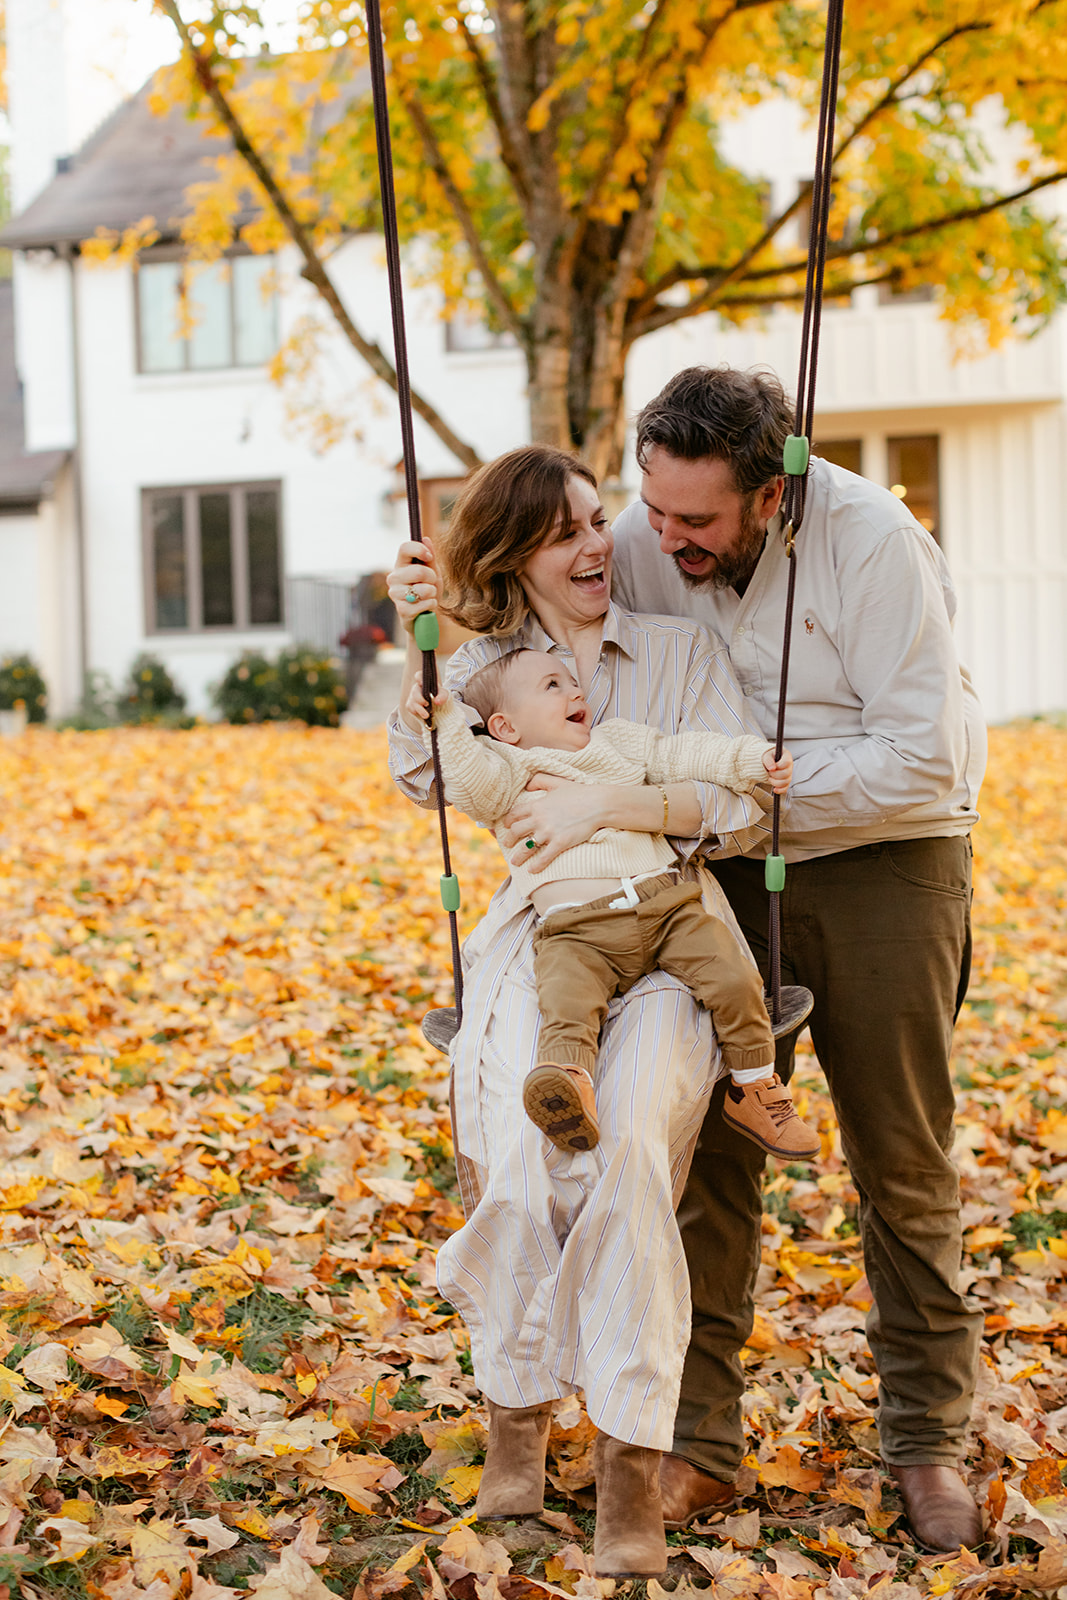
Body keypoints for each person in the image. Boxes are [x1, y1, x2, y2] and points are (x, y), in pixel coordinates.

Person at [606, 365, 987, 1554]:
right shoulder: (642, 532)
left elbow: (924, 757)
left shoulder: (873, 543)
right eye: (652, 508)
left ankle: (924, 1441)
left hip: (886, 865)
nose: (664, 539)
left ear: (771, 493)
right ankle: (699, 1443)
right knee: (711, 1154)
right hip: (712, 871)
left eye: (696, 522)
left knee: (899, 1156)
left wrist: (735, 796)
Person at [386, 444, 779, 1578]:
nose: (598, 543)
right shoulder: (484, 666)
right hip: (541, 940)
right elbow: (424, 780)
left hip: (663, 930)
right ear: (515, 556)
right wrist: (424, 653)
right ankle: (516, 1416)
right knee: (515, 1142)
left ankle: (624, 1460)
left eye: (599, 519)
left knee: (624, 1159)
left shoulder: (677, 652)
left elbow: (732, 807)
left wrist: (616, 796)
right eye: (566, 531)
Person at [404, 650, 818, 1161]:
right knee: (566, 1004)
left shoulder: (619, 742)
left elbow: (685, 753)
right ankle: (568, 1089)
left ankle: (754, 1086)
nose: (575, 692)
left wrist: (750, 760)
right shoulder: (506, 770)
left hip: (666, 906)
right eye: (553, 685)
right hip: (576, 930)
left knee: (733, 974)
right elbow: (466, 782)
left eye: (573, 682)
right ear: (505, 727)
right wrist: (445, 720)